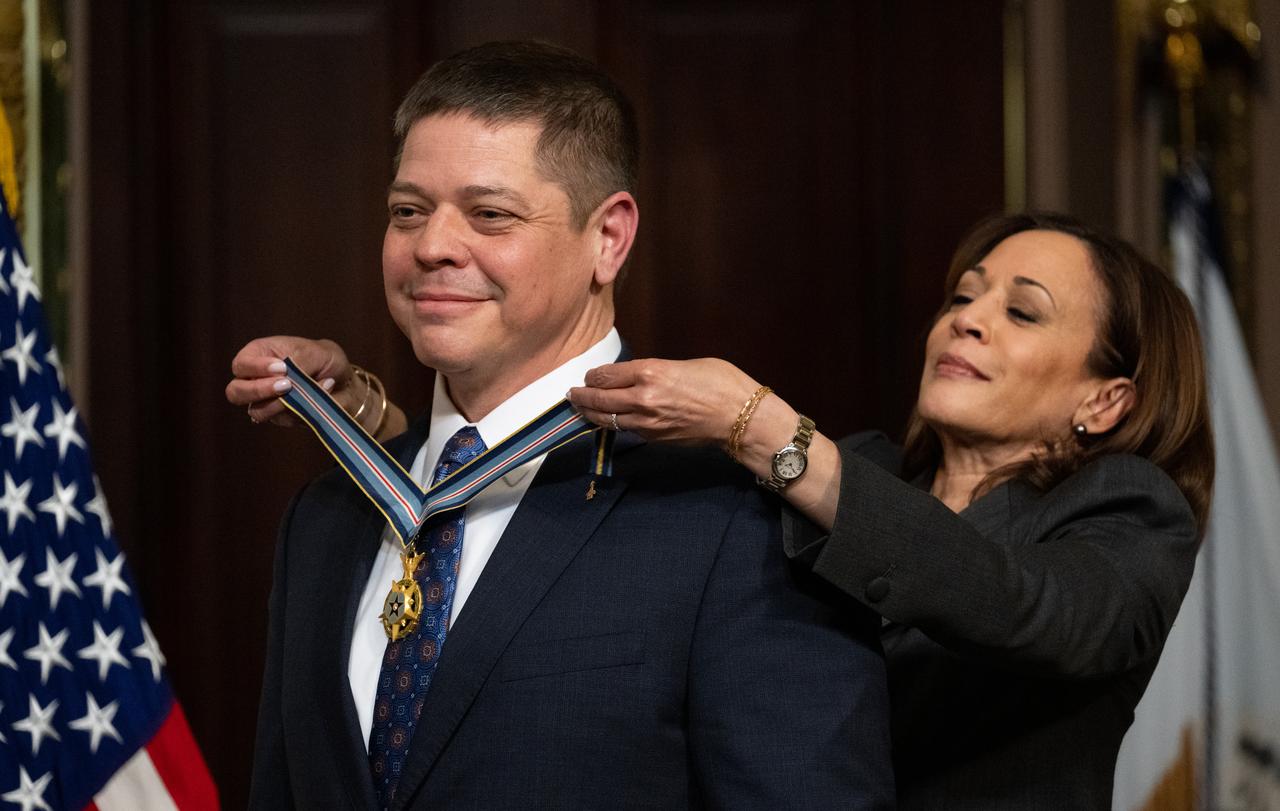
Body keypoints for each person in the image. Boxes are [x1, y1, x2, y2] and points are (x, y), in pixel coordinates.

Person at [234, 211, 1213, 808]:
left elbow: (1017, 602)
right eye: (963, 294)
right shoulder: (859, 476)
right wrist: (366, 417)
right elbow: (565, 518)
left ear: (1104, 399)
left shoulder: (1132, 513)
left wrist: (760, 427)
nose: (967, 316)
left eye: (1021, 310)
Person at [234, 41, 893, 810]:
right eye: (408, 210)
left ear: (607, 238)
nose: (433, 246)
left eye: (490, 214)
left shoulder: (737, 521)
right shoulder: (331, 513)